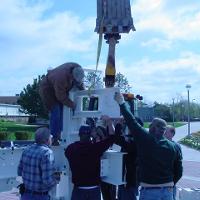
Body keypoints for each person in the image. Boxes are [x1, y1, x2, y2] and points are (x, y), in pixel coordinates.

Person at [114, 92, 183, 200]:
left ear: (154, 128)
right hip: (168, 192)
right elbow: (179, 170)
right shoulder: (174, 147)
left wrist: (121, 102)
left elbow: (132, 122)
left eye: (151, 125)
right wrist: (170, 183)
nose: (149, 127)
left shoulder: (146, 140)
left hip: (150, 191)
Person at [65, 116, 115, 200]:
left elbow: (68, 154)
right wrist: (110, 122)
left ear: (79, 134)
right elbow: (112, 138)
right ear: (90, 135)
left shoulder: (70, 148)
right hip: (94, 191)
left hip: (78, 190)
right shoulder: (96, 148)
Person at [39, 62, 85, 145]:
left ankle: (59, 134)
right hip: (48, 89)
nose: (75, 83)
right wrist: (72, 104)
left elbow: (80, 84)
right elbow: (61, 97)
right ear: (71, 76)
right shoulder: (61, 78)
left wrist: (86, 93)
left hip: (59, 89)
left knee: (63, 111)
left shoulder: (77, 68)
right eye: (74, 81)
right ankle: (54, 138)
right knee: (56, 111)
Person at [17, 127, 59, 200]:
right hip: (40, 196)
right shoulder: (47, 153)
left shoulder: (27, 150)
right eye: (50, 137)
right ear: (47, 140)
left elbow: (19, 171)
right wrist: (57, 179)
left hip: (26, 194)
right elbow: (47, 180)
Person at [115, 117, 144, 200]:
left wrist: (118, 124)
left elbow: (119, 140)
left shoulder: (137, 141)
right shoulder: (134, 138)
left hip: (129, 180)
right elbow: (119, 140)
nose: (128, 127)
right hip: (126, 179)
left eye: (129, 125)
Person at [164, 125, 183, 200]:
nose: (164, 132)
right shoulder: (160, 143)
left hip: (170, 180)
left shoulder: (176, 146)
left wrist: (173, 182)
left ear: (172, 134)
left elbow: (178, 167)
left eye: (166, 131)